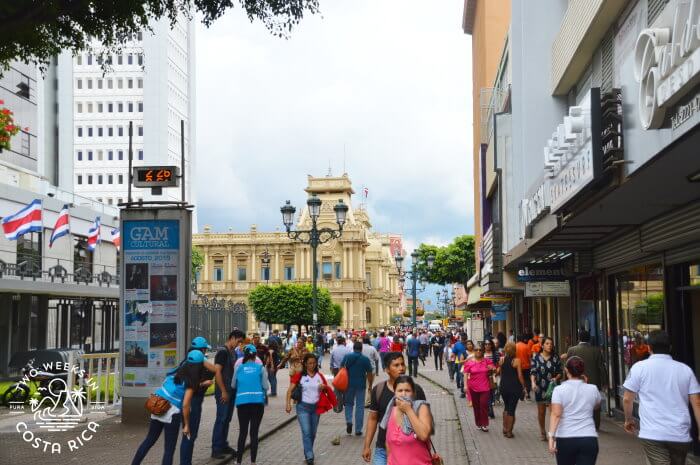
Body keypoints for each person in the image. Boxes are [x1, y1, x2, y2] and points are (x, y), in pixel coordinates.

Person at [622, 330, 700, 465]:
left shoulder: (639, 368)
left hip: (653, 433)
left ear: (649, 347)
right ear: (670, 347)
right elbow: (697, 402)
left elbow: (627, 399)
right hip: (680, 433)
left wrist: (628, 420)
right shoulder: (685, 370)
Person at [132, 350, 206, 465]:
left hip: (158, 406)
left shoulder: (176, 372)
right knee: (169, 450)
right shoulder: (192, 381)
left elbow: (177, 386)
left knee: (149, 440)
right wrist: (186, 425)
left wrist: (201, 384)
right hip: (172, 412)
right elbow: (186, 405)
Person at [362, 352, 428, 465]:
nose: (401, 368)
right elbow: (373, 418)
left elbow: (424, 422)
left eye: (402, 364)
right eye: (396, 365)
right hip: (382, 449)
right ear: (387, 369)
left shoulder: (416, 390)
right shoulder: (378, 390)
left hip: (409, 449)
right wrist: (367, 446)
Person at [548, 356, 601, 465]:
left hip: (566, 438)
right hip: (588, 438)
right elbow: (596, 406)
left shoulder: (559, 390)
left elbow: (556, 415)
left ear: (566, 370)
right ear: (582, 371)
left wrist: (551, 438)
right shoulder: (593, 389)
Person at [286, 353, 337, 465]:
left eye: (314, 363)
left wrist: (324, 387)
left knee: (312, 433)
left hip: (316, 408)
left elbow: (327, 390)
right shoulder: (300, 376)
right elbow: (290, 390)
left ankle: (308, 451)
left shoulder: (320, 376)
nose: (312, 365)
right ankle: (309, 455)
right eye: (309, 363)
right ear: (305, 364)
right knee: (306, 432)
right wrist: (288, 404)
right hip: (302, 407)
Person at [380, 375, 433, 465]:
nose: (403, 394)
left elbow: (424, 435)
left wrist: (408, 410)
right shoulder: (390, 411)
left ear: (413, 393)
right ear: (395, 392)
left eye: (407, 390)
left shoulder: (421, 408)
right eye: (400, 391)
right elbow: (388, 444)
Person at [231, 344, 269, 465]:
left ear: (245, 355)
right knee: (254, 433)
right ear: (255, 356)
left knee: (243, 432)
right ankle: (253, 461)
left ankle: (239, 461)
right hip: (257, 403)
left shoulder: (239, 368)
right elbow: (266, 386)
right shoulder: (261, 368)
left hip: (242, 403)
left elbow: (233, 385)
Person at [180, 337, 215, 465]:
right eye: (205, 350)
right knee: (189, 434)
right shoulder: (197, 361)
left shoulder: (188, 359)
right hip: (192, 402)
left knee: (189, 435)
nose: (205, 353)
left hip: (189, 400)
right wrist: (204, 383)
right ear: (201, 349)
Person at [211, 329, 245, 459]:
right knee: (221, 419)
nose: (239, 344)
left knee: (227, 419)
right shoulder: (223, 352)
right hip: (223, 392)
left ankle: (223, 445)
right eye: (239, 341)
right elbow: (217, 372)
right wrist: (223, 391)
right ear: (232, 337)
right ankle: (216, 449)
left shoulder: (232, 352)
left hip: (231, 391)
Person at [566, 329, 607, 430]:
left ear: (579, 338)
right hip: (594, 382)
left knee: (577, 402)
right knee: (595, 404)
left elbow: (567, 367)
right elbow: (601, 368)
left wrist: (566, 380)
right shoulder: (596, 350)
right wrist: (605, 382)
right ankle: (595, 425)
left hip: (576, 381)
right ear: (589, 339)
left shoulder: (571, 350)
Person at [531, 337, 563, 440]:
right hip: (540, 388)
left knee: (553, 412)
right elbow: (533, 371)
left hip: (552, 388)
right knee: (541, 412)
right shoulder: (536, 357)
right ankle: (542, 431)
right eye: (547, 343)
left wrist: (556, 378)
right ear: (542, 345)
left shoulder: (555, 358)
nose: (549, 345)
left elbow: (560, 372)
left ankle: (552, 432)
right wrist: (533, 383)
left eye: (551, 344)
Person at [341, 341, 374, 435]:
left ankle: (349, 421)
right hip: (361, 385)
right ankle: (358, 430)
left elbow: (341, 368)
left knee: (348, 404)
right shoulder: (365, 359)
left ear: (354, 348)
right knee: (359, 406)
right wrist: (370, 385)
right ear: (361, 349)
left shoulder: (347, 357)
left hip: (348, 384)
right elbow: (369, 373)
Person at [463, 343, 495, 431]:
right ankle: (478, 423)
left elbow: (494, 368)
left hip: (485, 388)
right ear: (474, 351)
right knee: (476, 407)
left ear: (483, 351)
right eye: (476, 350)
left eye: (480, 350)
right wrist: (465, 386)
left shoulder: (486, 361)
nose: (478, 351)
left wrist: (492, 368)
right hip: (473, 388)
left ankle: (484, 424)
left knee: (484, 405)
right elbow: (465, 374)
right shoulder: (469, 363)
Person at [499, 342, 527, 438]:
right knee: (511, 409)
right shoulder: (517, 361)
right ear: (514, 350)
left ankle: (504, 428)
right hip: (514, 387)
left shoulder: (501, 359)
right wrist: (524, 386)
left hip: (503, 386)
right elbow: (519, 375)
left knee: (506, 407)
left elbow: (501, 374)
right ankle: (509, 432)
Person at [516, 334, 533, 400]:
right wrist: (531, 365)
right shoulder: (526, 346)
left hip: (518, 367)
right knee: (527, 380)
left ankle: (521, 395)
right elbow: (529, 357)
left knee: (519, 380)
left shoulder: (515, 346)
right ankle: (527, 393)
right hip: (526, 366)